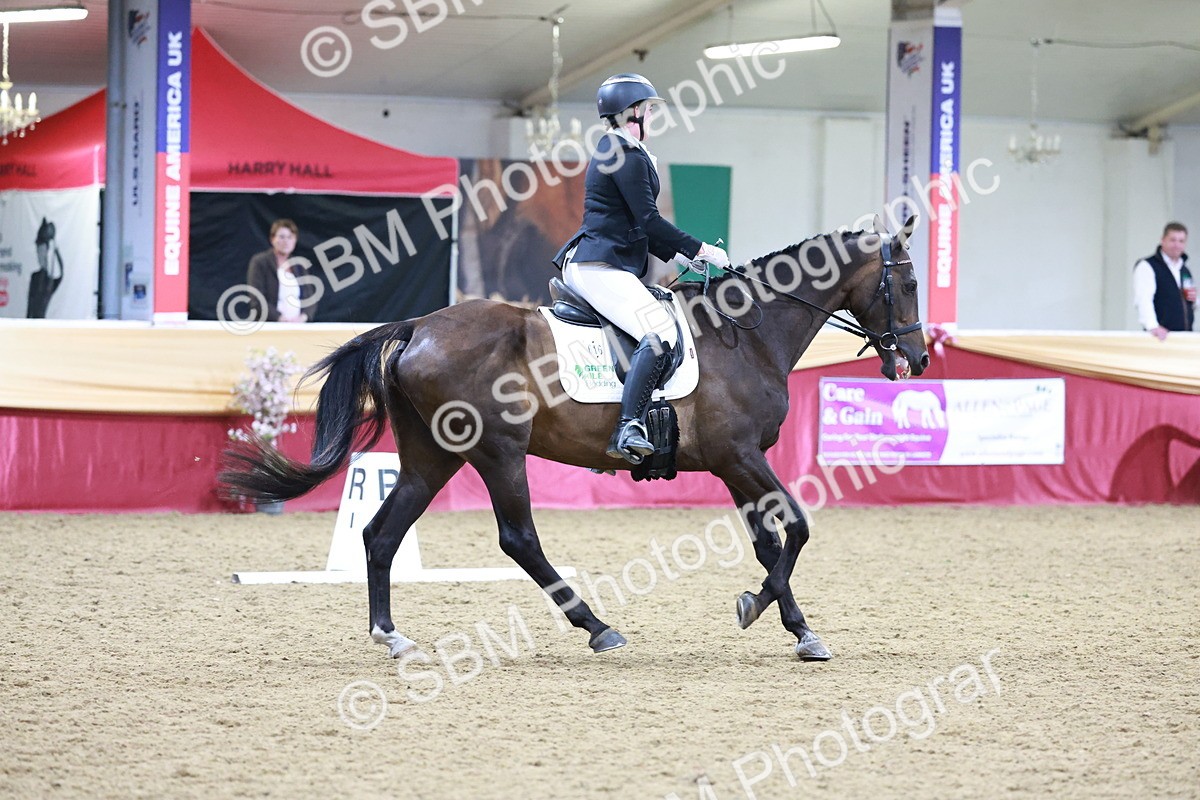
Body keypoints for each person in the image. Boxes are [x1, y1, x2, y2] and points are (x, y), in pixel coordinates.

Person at [552, 73, 729, 464]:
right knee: (660, 332)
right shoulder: (624, 154)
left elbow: (636, 223)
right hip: (600, 264)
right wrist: (699, 248)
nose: (652, 116)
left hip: (606, 261)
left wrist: (684, 258)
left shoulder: (621, 149)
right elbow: (648, 219)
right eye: (649, 109)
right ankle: (628, 426)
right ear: (632, 113)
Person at [246, 218, 318, 323]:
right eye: (281, 237)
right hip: (269, 326)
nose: (286, 241)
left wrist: (303, 317)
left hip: (297, 327)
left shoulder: (299, 266)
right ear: (272, 239)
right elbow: (257, 299)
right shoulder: (260, 262)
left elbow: (310, 298)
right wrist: (280, 318)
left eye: (290, 237)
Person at [1134, 221, 1195, 340]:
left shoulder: (1184, 270)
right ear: (1162, 240)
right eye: (1173, 240)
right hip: (1160, 338)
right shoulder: (1147, 266)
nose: (1177, 245)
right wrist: (1152, 326)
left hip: (1185, 337)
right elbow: (1143, 298)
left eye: (1181, 241)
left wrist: (1195, 300)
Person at [27, 218, 63, 319]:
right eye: (38, 251)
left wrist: (55, 251)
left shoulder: (51, 279)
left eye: (42, 251)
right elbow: (30, 304)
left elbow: (60, 274)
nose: (40, 255)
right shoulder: (35, 277)